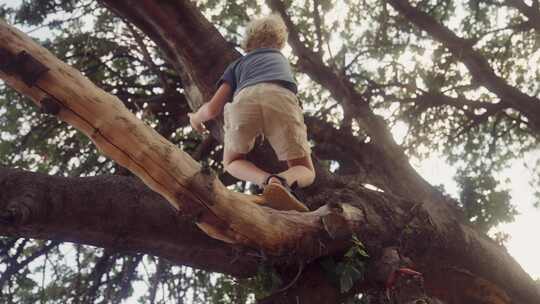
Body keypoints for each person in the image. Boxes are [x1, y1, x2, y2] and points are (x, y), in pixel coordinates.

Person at [188, 14, 315, 212]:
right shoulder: (280, 60)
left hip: (244, 100)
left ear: (248, 43)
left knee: (232, 161)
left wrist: (196, 118)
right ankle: (282, 181)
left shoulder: (237, 65)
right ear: (280, 41)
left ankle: (266, 179)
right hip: (281, 98)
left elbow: (213, 109)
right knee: (305, 169)